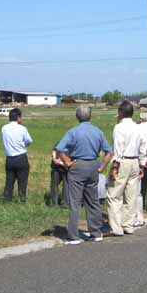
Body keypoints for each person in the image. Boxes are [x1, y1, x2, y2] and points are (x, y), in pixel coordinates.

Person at [56, 105, 113, 245]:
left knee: (75, 202)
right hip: (93, 165)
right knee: (93, 201)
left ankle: (74, 235)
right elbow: (109, 152)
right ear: (90, 116)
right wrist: (102, 167)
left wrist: (67, 162)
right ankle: (95, 232)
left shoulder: (73, 132)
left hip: (78, 165)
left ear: (77, 116)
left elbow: (59, 148)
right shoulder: (97, 131)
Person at [107, 101, 145, 236]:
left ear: (120, 113)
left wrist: (114, 167)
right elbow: (142, 147)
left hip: (123, 161)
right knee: (131, 195)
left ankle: (116, 228)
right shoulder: (138, 127)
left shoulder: (119, 128)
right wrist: (142, 164)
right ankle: (128, 225)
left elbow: (118, 149)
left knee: (114, 195)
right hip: (135, 161)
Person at [1, 108, 33, 203]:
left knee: (9, 182)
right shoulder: (22, 128)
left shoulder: (4, 128)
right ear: (18, 117)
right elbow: (29, 141)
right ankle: (22, 200)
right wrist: (24, 144)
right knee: (22, 182)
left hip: (9, 159)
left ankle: (7, 200)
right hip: (21, 157)